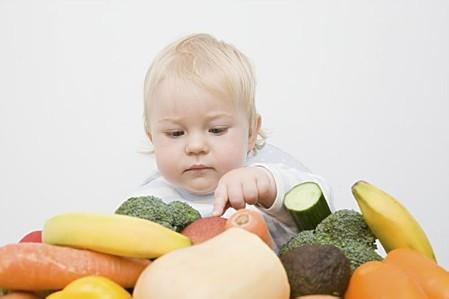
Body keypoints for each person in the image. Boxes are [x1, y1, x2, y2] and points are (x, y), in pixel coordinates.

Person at [130, 33, 333, 251]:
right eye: (176, 133)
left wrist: (268, 186)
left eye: (216, 130)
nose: (196, 146)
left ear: (251, 134)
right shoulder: (149, 201)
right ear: (152, 139)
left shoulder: (261, 180)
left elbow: (324, 207)